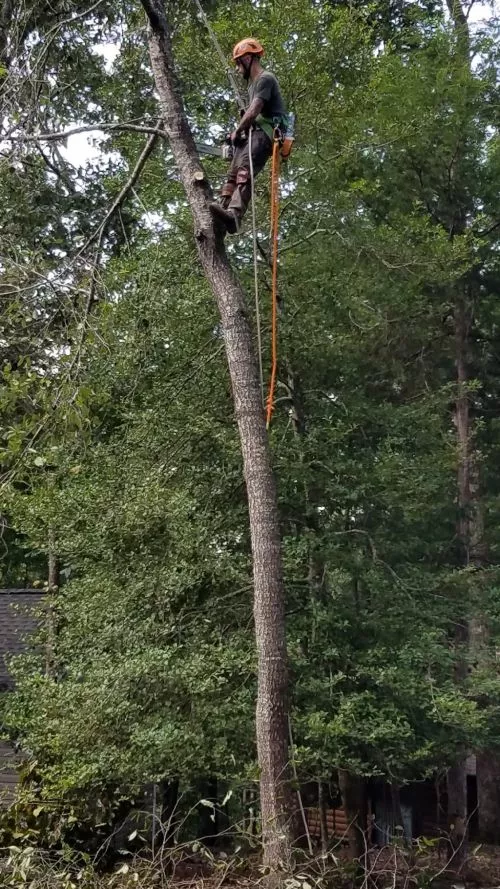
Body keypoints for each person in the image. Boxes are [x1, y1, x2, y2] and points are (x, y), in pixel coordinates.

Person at [210, 38, 287, 235]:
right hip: (255, 133)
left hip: (266, 133)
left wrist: (238, 129)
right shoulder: (252, 87)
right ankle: (223, 211)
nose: (237, 69)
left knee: (244, 171)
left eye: (238, 63)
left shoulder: (265, 79)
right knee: (232, 174)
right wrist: (239, 131)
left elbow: (254, 111)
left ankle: (234, 215)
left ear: (247, 58)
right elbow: (251, 114)